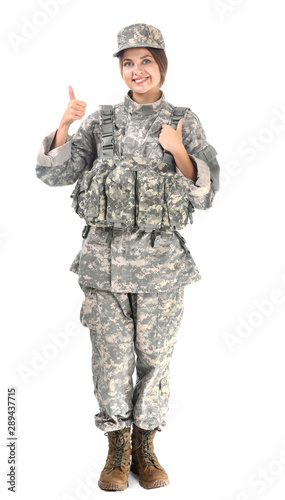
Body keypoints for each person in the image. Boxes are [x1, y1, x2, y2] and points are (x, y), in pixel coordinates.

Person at [35, 23, 220, 491]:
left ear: (161, 64)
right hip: (104, 263)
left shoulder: (183, 119)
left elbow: (206, 193)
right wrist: (64, 126)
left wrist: (178, 151)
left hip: (161, 267)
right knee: (111, 360)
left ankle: (146, 446)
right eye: (127, 63)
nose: (136, 71)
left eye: (146, 61)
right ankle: (117, 449)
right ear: (121, 69)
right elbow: (53, 175)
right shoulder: (100, 121)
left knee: (155, 359)